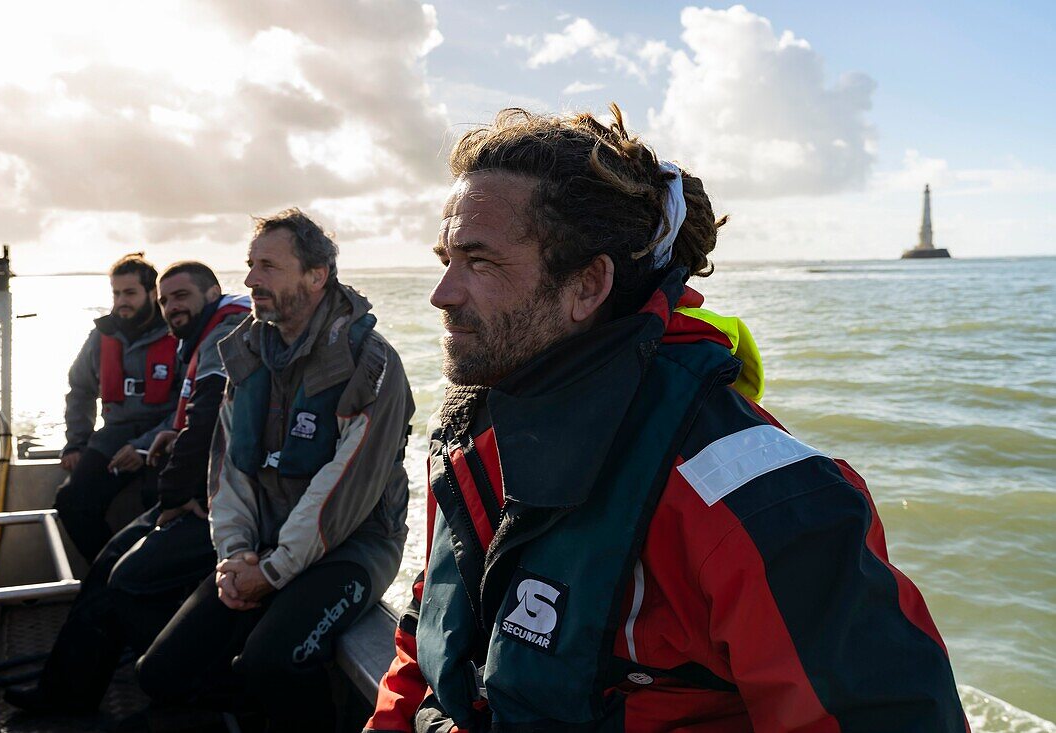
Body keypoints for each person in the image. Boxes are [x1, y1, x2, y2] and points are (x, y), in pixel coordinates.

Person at [366, 106, 970, 732]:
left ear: (586, 287)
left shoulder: (763, 503)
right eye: (446, 258)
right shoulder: (475, 437)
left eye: (479, 261)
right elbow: (428, 630)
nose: (442, 292)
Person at [136, 210, 415, 732]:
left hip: (353, 547)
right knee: (159, 673)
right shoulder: (247, 353)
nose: (249, 280)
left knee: (271, 661)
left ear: (316, 275)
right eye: (249, 264)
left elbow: (343, 490)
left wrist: (272, 571)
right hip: (263, 542)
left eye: (267, 266)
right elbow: (229, 470)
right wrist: (236, 554)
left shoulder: (371, 364)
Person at [5, 262, 250, 715]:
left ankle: (175, 692)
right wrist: (81, 442)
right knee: (101, 557)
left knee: (121, 580)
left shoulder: (224, 333)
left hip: (216, 504)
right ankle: (70, 694)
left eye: (181, 296)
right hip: (192, 483)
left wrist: (173, 495)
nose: (171, 306)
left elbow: (209, 413)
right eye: (166, 299)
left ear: (214, 292)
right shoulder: (190, 337)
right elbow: (201, 422)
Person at [56, 253, 181, 563]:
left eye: (130, 293)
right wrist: (77, 442)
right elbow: (80, 391)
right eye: (116, 293)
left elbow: (189, 404)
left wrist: (143, 448)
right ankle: (112, 577)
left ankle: (152, 581)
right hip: (114, 436)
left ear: (152, 294)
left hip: (166, 437)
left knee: (162, 501)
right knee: (72, 501)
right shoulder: (100, 337)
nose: (121, 301)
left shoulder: (178, 335)